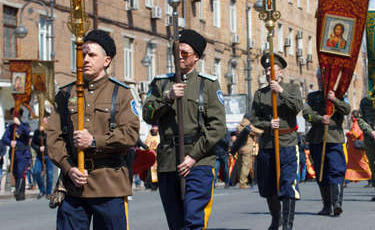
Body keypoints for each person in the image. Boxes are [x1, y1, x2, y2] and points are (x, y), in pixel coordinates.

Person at [46, 30, 140, 230]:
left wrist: (95, 141)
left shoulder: (121, 93)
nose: (85, 59)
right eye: (82, 54)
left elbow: (130, 134)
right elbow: (53, 137)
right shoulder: (65, 93)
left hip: (109, 185)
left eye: (91, 55)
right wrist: (68, 167)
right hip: (73, 187)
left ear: (106, 60)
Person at [142, 29, 226, 230]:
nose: (179, 56)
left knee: (193, 219)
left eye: (185, 53)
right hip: (168, 161)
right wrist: (167, 98)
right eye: (176, 52)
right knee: (176, 223)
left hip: (199, 160)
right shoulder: (161, 84)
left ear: (196, 57)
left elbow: (217, 127)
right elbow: (148, 113)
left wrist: (192, 157)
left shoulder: (207, 84)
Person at [250, 53, 303, 230]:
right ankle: (276, 218)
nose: (268, 73)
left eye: (272, 70)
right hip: (267, 145)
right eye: (266, 70)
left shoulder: (292, 88)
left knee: (288, 185)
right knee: (268, 186)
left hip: (287, 143)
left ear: (281, 73)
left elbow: (297, 107)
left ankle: (288, 225)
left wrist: (280, 91)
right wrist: (268, 124)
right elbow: (254, 119)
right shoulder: (260, 94)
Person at [303, 69, 350, 216]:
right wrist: (319, 118)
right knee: (320, 173)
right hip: (317, 138)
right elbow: (306, 113)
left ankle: (337, 203)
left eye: (324, 78)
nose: (321, 81)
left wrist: (334, 99)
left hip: (334, 138)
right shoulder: (312, 97)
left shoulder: (339, 95)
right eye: (319, 78)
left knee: (336, 170)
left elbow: (347, 110)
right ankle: (326, 205)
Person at [1, 108, 31, 201]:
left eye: (16, 115)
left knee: (21, 172)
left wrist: (19, 124)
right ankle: (18, 191)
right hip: (14, 153)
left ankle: (20, 192)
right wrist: (10, 142)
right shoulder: (10, 127)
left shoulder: (25, 125)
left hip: (22, 153)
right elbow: (4, 139)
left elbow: (27, 133)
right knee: (15, 172)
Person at [236, 114, 263, 189]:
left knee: (240, 166)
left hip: (239, 148)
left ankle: (241, 181)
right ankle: (243, 183)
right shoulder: (249, 126)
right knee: (246, 166)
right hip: (247, 148)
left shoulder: (239, 126)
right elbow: (259, 132)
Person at [31, 112, 54, 199]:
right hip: (39, 156)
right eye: (43, 120)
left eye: (46, 120)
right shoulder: (37, 132)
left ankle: (48, 192)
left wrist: (46, 148)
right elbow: (33, 144)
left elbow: (53, 143)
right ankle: (42, 190)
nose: (44, 121)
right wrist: (38, 148)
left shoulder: (51, 132)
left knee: (50, 174)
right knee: (36, 172)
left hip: (49, 155)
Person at [345, 110, 372, 182]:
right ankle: (347, 179)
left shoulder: (357, 123)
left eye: (351, 116)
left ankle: (371, 178)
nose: (351, 118)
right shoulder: (356, 123)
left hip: (357, 149)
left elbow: (355, 134)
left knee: (362, 164)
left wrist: (348, 133)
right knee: (352, 164)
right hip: (353, 150)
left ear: (354, 117)